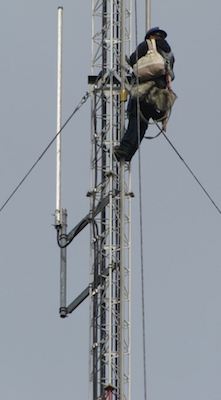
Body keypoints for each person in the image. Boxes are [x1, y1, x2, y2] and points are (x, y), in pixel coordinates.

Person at [114, 26, 175, 162]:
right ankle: (128, 154)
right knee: (143, 126)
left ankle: (124, 150)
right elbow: (171, 75)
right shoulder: (169, 53)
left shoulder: (147, 45)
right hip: (158, 96)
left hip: (143, 91)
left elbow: (132, 59)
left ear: (150, 36)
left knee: (135, 119)